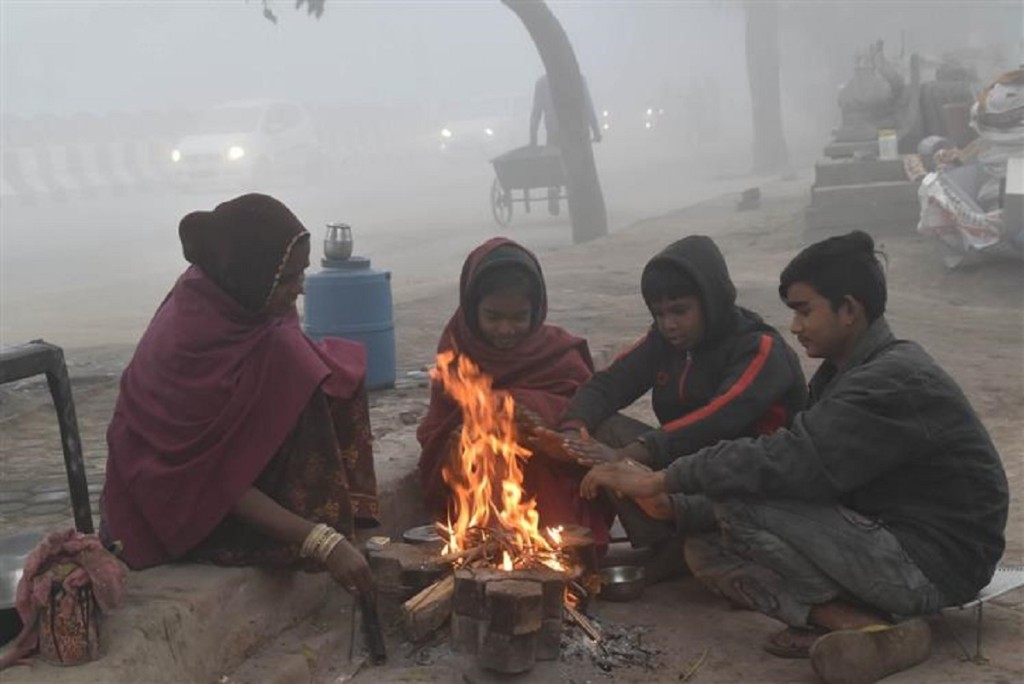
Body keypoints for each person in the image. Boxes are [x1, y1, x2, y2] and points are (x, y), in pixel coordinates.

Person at [580, 231, 1009, 684]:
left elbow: (783, 462)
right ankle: (861, 626)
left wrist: (661, 480)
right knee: (705, 549)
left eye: (805, 311)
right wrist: (680, 506)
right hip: (879, 538)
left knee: (737, 499)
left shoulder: (890, 379)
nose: (796, 326)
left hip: (934, 565)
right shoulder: (840, 375)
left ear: (849, 309)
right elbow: (798, 478)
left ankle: (887, 618)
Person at [101, 193, 380, 597]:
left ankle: (341, 522)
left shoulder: (250, 304)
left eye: (301, 274)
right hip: (174, 508)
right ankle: (311, 529)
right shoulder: (185, 344)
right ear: (249, 274)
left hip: (232, 476)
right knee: (296, 365)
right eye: (287, 279)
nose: (299, 290)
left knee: (333, 374)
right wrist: (319, 541)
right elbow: (206, 480)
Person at [556, 235, 806, 558]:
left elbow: (719, 418)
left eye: (679, 311)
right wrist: (572, 431)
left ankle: (697, 545)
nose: (669, 324)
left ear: (710, 300)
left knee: (621, 454)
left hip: (749, 479)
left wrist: (632, 453)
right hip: (685, 468)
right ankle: (664, 544)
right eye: (659, 313)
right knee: (602, 432)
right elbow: (609, 384)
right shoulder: (663, 341)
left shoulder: (760, 349)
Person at [417, 238, 613, 546]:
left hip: (551, 483)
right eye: (493, 317)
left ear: (536, 312)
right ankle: (490, 544)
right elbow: (435, 429)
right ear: (471, 309)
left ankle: (546, 550)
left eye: (518, 317)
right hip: (479, 484)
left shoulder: (558, 353)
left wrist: (524, 411)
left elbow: (587, 415)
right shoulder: (456, 352)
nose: (506, 329)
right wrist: (463, 438)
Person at [529, 73, 602, 215]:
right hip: (576, 131)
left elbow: (536, 112)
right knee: (579, 163)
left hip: (553, 131)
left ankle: (553, 188)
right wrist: (596, 130)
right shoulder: (577, 79)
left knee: (553, 163)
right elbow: (587, 105)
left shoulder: (542, 83)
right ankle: (579, 193)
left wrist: (533, 139)